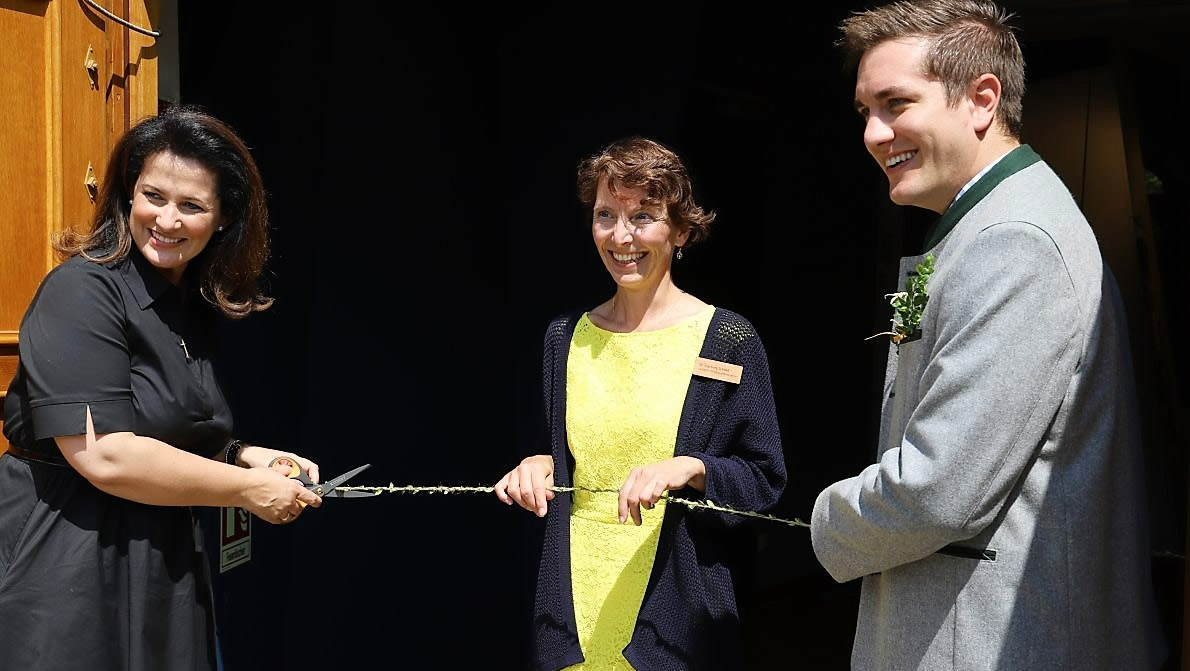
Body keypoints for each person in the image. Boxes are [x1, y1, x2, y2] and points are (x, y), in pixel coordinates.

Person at [810, 1, 1166, 668]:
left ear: (981, 98)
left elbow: (938, 489)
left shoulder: (1014, 240)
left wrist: (827, 518)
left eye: (896, 103)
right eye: (866, 112)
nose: (874, 133)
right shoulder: (996, 222)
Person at [0, 105, 324, 670]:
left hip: (160, 559)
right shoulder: (82, 290)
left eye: (192, 206)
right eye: (154, 196)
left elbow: (168, 424)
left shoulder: (187, 305)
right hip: (66, 558)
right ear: (129, 193)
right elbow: (107, 454)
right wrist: (243, 490)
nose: (167, 221)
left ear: (225, 218)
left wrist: (245, 456)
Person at [494, 137, 786, 670]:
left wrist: (692, 468)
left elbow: (763, 482)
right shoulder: (566, 338)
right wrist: (539, 465)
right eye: (606, 214)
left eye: (644, 216)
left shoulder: (728, 340)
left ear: (681, 230)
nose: (621, 236)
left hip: (676, 616)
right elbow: (571, 458)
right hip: (572, 613)